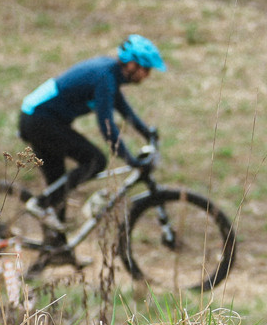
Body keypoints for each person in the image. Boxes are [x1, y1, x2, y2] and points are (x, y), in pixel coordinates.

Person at [18, 35, 166, 237]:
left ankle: (56, 247)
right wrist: (128, 158)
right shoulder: (105, 78)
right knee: (95, 160)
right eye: (146, 70)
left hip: (38, 118)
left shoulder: (110, 74)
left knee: (58, 187)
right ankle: (40, 204)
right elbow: (107, 126)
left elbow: (125, 110)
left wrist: (147, 132)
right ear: (132, 65)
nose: (147, 76)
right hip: (39, 120)